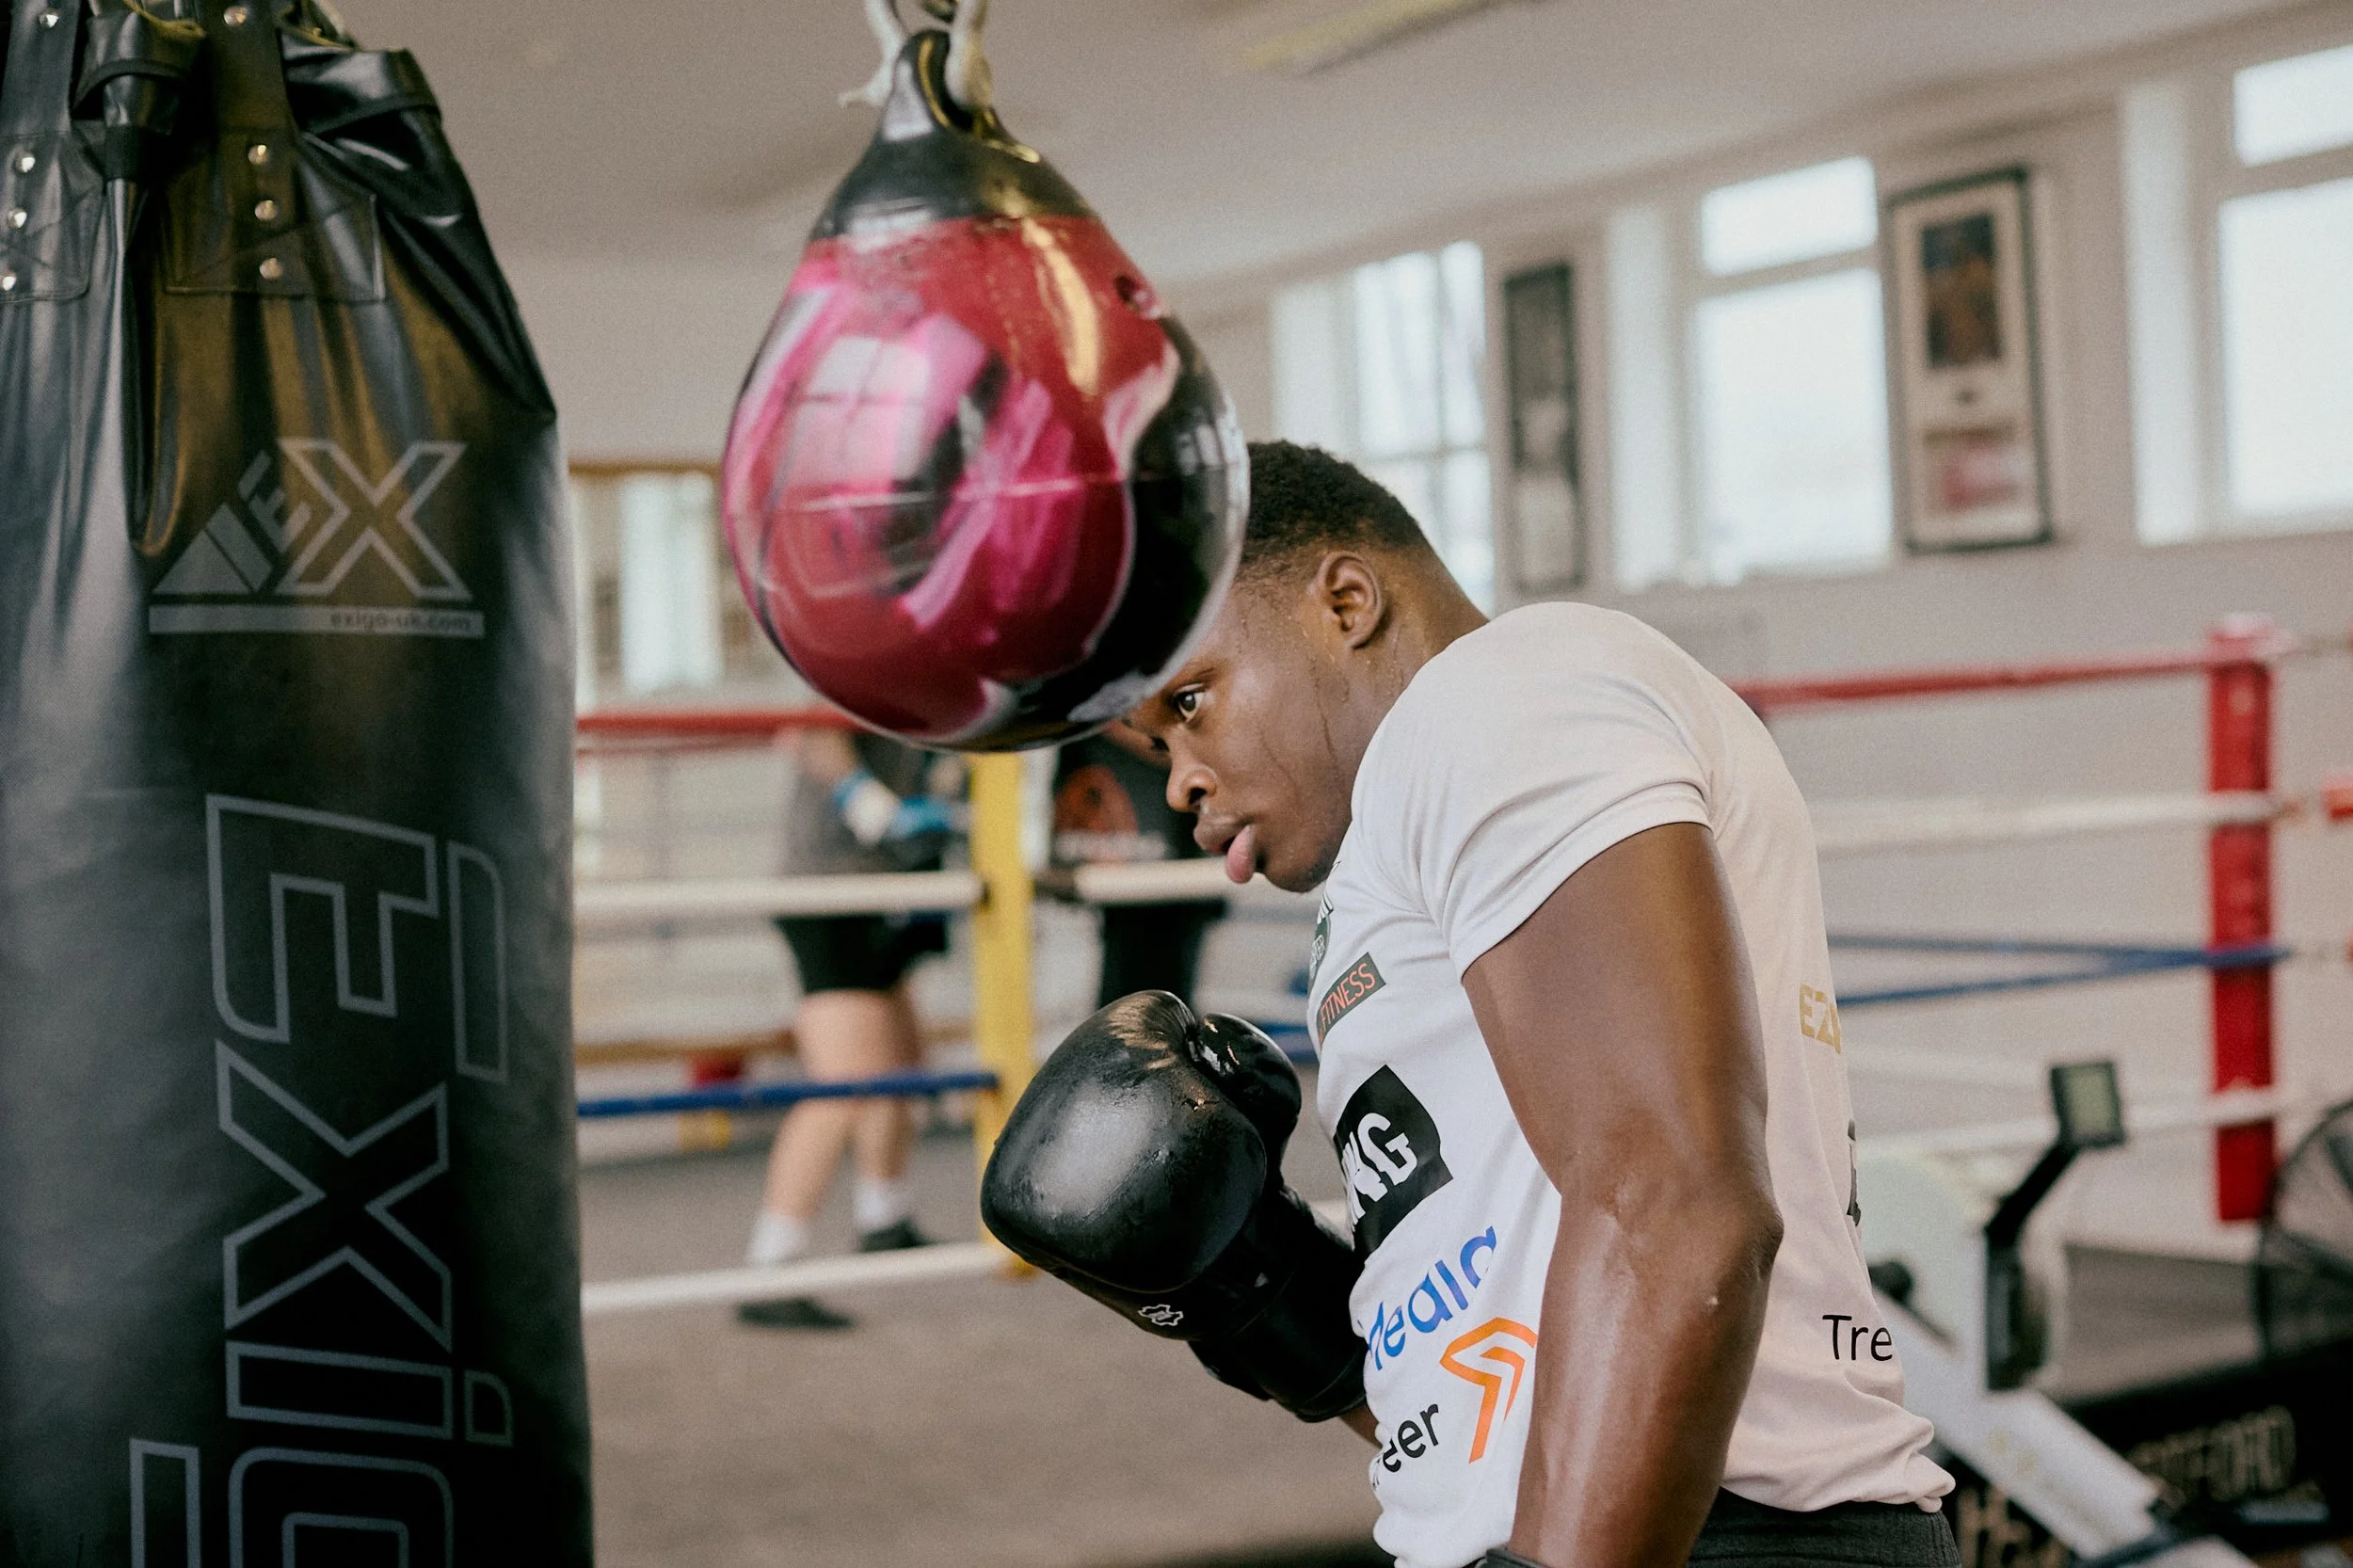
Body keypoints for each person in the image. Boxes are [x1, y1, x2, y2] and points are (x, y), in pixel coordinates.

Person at [988, 441, 1957, 1568]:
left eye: (1192, 702)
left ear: (1343, 600)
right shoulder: (1418, 832)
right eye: (1160, 744)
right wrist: (1256, 1288)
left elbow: (1674, 1208)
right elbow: (1480, 1375)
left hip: (1723, 1535)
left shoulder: (1500, 697)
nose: (1180, 778)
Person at [737, 728, 958, 1331]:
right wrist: (875, 803)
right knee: (842, 1087)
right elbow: (813, 734)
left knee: (901, 1065)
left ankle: (883, 1218)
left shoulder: (937, 686)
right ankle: (768, 1269)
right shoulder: (862, 662)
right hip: (828, 897)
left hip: (878, 892)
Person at [1051, 724, 1226, 1008]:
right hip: (1145, 858)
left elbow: (1190, 744)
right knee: (1129, 998)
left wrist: (1103, 717)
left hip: (1176, 859)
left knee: (1162, 1000)